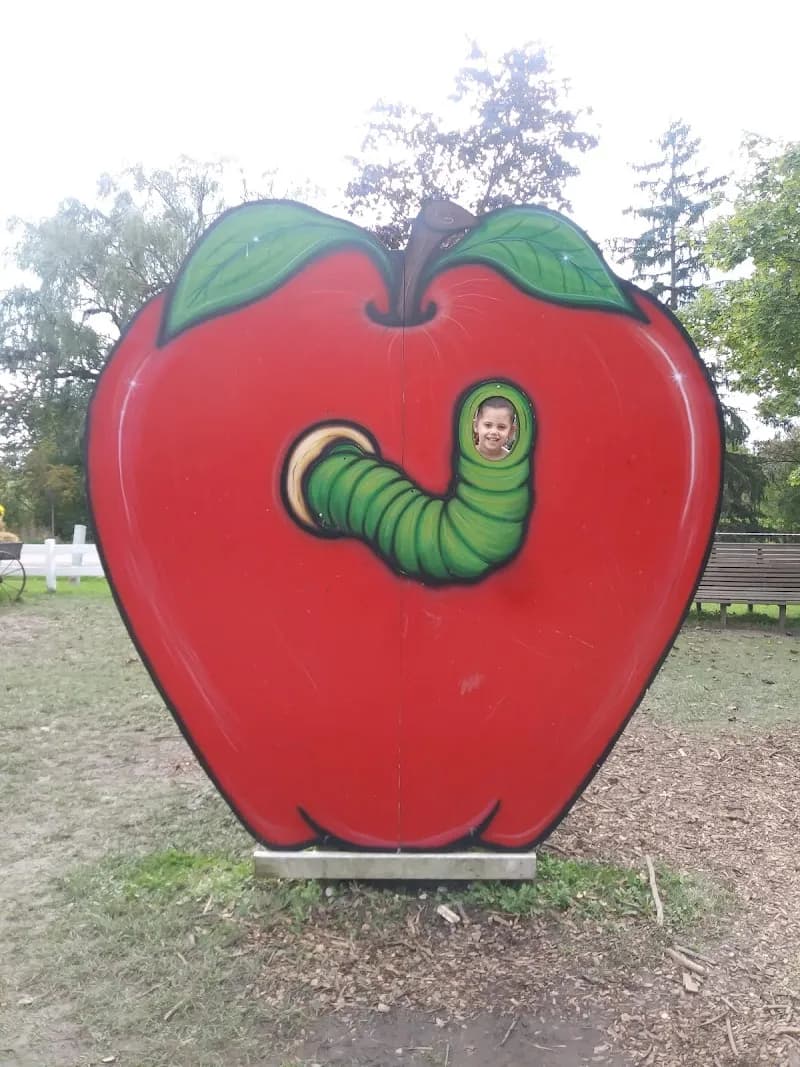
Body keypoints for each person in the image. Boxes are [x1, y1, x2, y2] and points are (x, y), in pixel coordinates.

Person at [472, 397, 516, 461]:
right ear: (476, 425)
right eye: (488, 425)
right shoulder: (464, 456)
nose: (494, 432)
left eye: (501, 427)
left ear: (511, 431)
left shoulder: (513, 461)